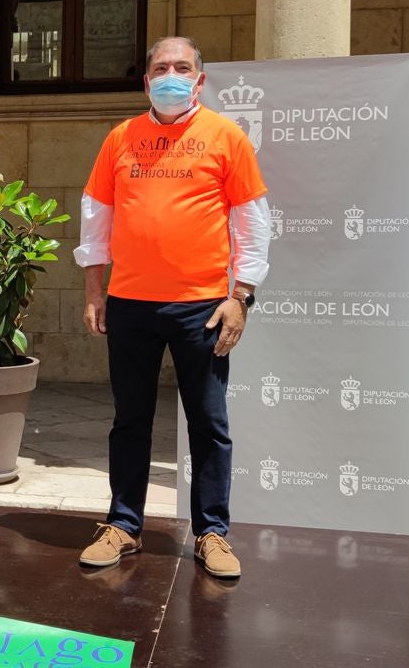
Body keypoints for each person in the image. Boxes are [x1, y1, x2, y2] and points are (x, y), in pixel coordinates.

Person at [74, 36, 271, 579]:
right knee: (130, 420)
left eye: (182, 67)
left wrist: (241, 296)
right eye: (160, 67)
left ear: (200, 80)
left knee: (209, 422)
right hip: (131, 303)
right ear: (145, 81)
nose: (170, 75)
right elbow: (97, 220)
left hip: (203, 307)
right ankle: (124, 525)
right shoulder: (121, 138)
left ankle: (212, 533)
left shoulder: (225, 136)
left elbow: (253, 222)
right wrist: (95, 290)